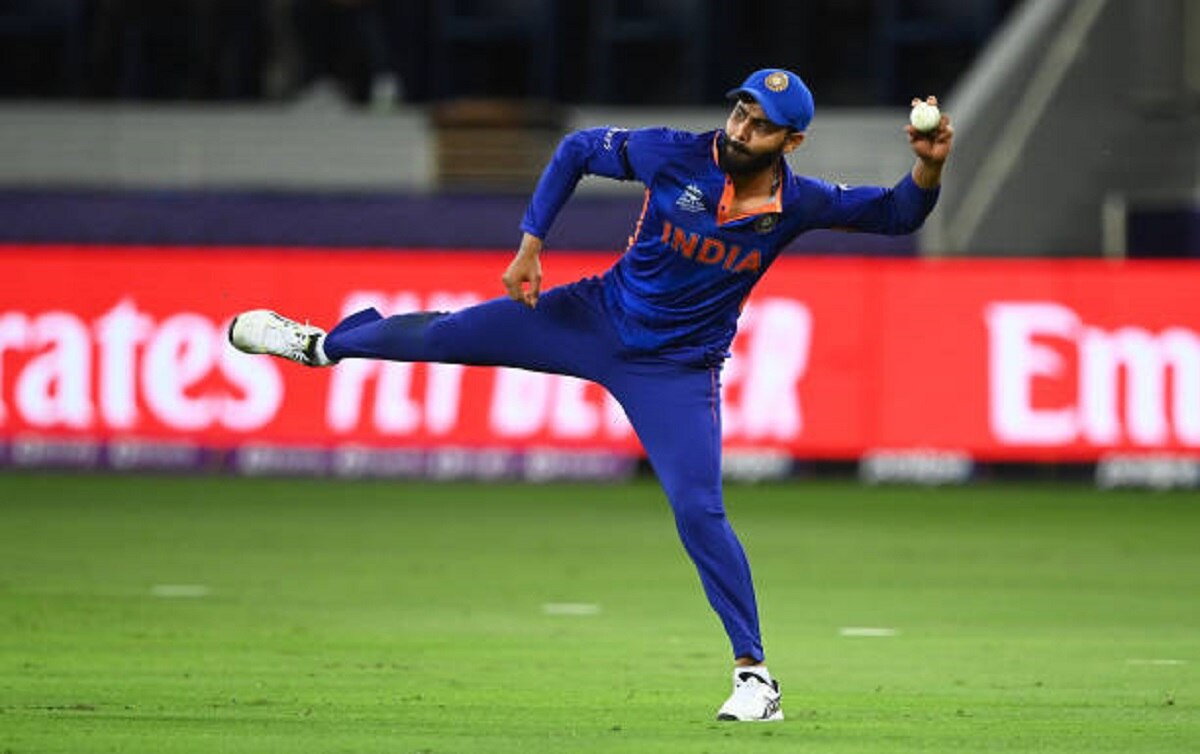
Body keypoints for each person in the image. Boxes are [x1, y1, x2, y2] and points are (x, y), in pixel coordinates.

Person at [228, 68, 954, 722]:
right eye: (739, 112)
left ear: (790, 142)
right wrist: (530, 245)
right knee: (446, 336)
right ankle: (320, 346)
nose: (740, 129)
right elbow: (577, 149)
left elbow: (897, 215)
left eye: (760, 124)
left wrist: (927, 169)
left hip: (675, 369)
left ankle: (755, 678)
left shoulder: (799, 204)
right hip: (592, 317)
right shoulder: (673, 152)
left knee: (699, 511)